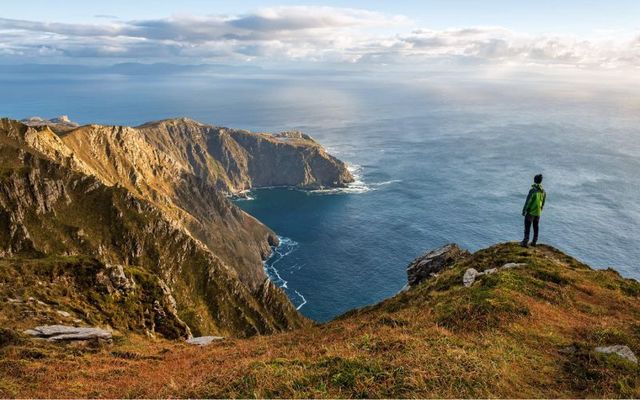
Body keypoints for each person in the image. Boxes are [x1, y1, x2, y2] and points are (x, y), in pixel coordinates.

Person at [521, 174, 546, 247]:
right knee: (536, 226)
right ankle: (534, 242)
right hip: (538, 212)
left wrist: (524, 211)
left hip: (531, 212)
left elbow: (528, 201)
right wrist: (540, 210)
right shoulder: (543, 191)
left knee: (527, 226)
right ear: (541, 181)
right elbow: (543, 203)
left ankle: (525, 242)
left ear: (534, 180)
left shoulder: (532, 190)